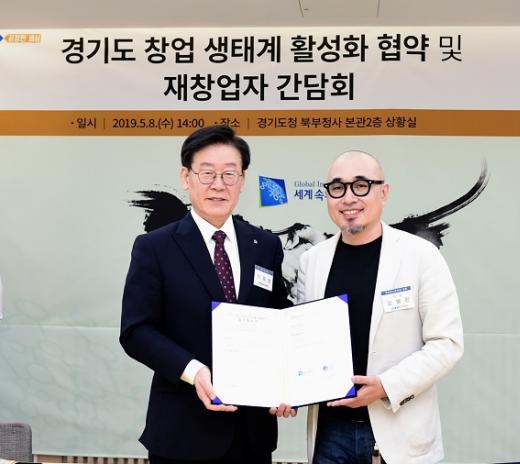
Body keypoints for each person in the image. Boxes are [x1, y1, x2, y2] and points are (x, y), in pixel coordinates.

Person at [120, 125, 292, 464]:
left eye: (229, 174)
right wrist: (194, 371)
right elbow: (136, 331)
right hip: (182, 433)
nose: (218, 184)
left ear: (242, 181)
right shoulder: (155, 247)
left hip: (252, 433)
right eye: (207, 173)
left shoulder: (265, 245)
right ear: (186, 177)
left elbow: (278, 319)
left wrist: (288, 382)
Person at [297, 151, 464, 464]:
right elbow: (303, 343)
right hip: (330, 433)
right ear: (327, 196)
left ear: (383, 193)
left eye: (361, 185)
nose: (349, 198)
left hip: (399, 429)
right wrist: (286, 388)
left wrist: (387, 386)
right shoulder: (312, 261)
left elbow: (447, 343)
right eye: (338, 188)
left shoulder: (421, 256)